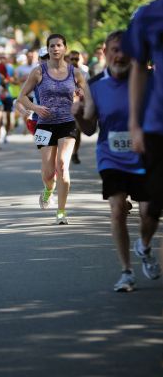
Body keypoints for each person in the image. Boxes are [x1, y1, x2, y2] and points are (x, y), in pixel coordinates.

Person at [72, 30, 161, 292]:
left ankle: (143, 246)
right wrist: (78, 116)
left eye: (125, 50)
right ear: (105, 53)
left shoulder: (151, 81)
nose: (120, 55)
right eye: (114, 50)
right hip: (111, 156)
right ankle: (126, 271)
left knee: (149, 214)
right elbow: (89, 129)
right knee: (117, 208)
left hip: (146, 155)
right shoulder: (96, 85)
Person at [17, 33, 87, 225]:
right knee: (49, 173)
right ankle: (48, 190)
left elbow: (89, 97)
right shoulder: (39, 72)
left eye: (58, 45)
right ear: (47, 50)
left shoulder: (75, 73)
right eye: (52, 46)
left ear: (64, 48)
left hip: (67, 123)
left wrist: (81, 96)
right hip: (45, 125)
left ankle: (61, 212)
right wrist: (36, 108)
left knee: (62, 166)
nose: (55, 49)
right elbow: (21, 97)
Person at [122, 0, 163, 272]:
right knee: (151, 208)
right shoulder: (149, 15)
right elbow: (137, 68)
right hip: (158, 125)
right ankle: (145, 243)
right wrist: (134, 124)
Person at [69, 50, 90, 164]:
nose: (74, 61)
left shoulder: (85, 71)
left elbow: (88, 88)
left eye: (76, 59)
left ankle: (75, 153)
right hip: (66, 105)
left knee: (77, 131)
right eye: (71, 59)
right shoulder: (64, 71)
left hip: (80, 104)